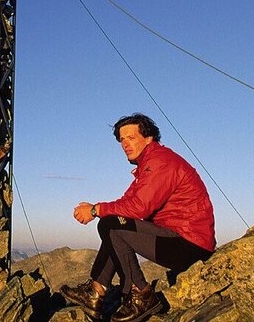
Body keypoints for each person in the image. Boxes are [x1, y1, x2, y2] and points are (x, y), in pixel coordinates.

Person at [61, 113, 215, 322]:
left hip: (189, 244)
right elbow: (126, 205)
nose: (125, 144)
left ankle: (140, 295)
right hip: (178, 239)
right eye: (122, 140)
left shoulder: (160, 161)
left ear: (149, 138)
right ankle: (95, 292)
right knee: (113, 222)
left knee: (111, 224)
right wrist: (99, 209)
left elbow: (139, 208)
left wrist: (96, 210)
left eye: (131, 138)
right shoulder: (147, 166)